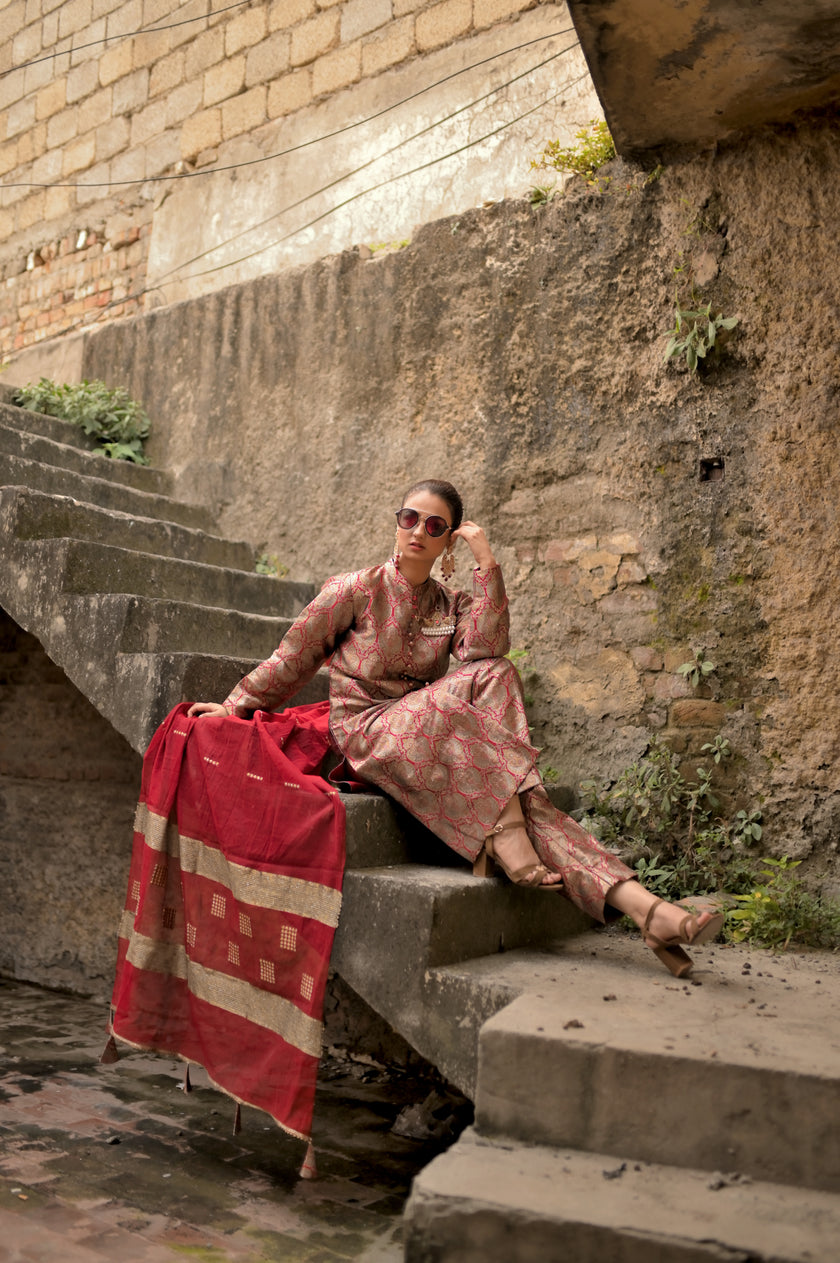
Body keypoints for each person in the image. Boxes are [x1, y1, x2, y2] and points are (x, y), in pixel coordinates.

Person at [189, 478, 722, 976]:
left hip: (432, 735)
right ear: (396, 524)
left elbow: (484, 654)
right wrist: (234, 705)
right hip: (364, 733)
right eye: (410, 518)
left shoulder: (452, 604)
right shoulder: (355, 589)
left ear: (448, 542)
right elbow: (292, 658)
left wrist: (486, 562)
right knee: (454, 711)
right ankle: (509, 833)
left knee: (498, 679)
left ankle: (648, 911)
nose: (418, 531)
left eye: (435, 526)